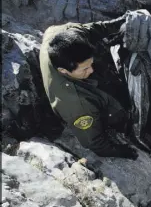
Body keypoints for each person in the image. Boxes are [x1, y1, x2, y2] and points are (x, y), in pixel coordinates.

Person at [39, 14, 138, 159]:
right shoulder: (78, 104)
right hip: (83, 104)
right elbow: (95, 143)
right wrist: (122, 152)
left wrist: (120, 22)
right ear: (63, 71)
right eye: (85, 69)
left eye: (90, 65)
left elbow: (94, 29)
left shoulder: (63, 33)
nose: (91, 70)